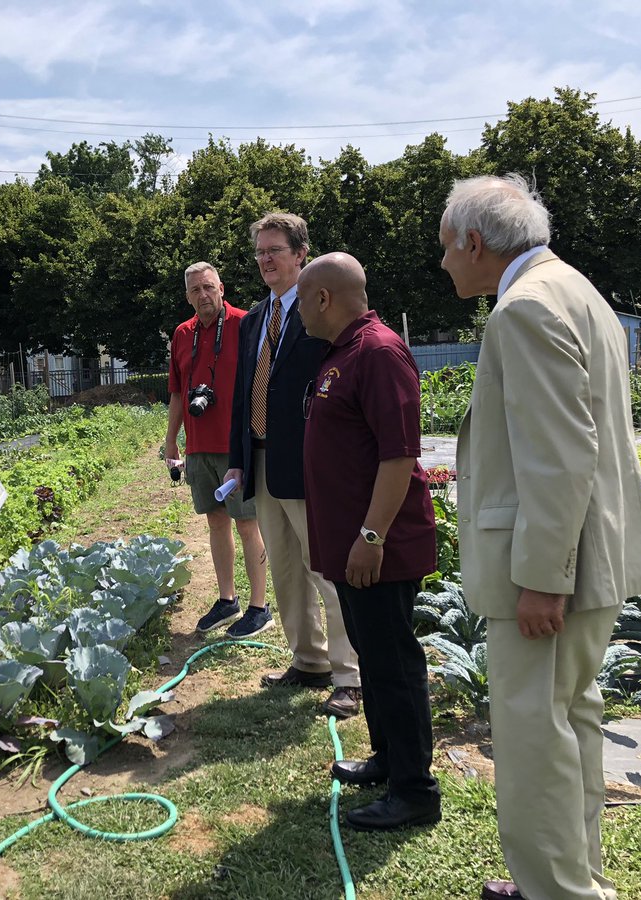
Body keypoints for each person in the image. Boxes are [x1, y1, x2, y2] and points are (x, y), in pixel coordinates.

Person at [439, 174, 641, 900]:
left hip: (554, 569)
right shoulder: (577, 290)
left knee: (536, 739)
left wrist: (541, 577)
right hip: (593, 557)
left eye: (446, 246)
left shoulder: (523, 310)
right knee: (572, 722)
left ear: (475, 242)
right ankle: (573, 876)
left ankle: (557, 892)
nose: (443, 262)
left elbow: (557, 455)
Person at [295, 252, 441, 831]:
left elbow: (399, 453)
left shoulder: (378, 351)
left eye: (303, 300)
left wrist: (372, 535)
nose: (299, 311)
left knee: (393, 664)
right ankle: (388, 758)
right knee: (373, 659)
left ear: (325, 298)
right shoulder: (342, 352)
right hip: (350, 546)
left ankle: (414, 791)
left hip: (377, 547)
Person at [224, 212, 360, 718]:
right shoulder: (257, 318)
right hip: (261, 460)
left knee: (324, 568)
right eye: (260, 252)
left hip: (308, 462)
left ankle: (349, 676)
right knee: (284, 568)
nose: (265, 260)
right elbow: (245, 392)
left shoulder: (322, 306)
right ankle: (309, 661)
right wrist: (238, 461)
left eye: (274, 250)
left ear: (301, 253)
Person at [167, 263, 272, 638]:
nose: (203, 295)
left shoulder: (246, 324)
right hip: (198, 447)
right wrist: (171, 442)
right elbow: (178, 393)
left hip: (236, 445)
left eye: (208, 287)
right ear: (187, 296)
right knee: (215, 521)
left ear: (222, 288)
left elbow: (263, 381)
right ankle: (228, 599)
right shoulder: (182, 334)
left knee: (247, 523)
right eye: (195, 290)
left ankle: (261, 607)